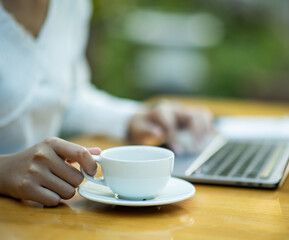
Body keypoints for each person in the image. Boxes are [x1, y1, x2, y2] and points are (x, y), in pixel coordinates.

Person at [0, 0, 212, 207]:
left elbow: (68, 96)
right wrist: (5, 170)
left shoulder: (71, 5)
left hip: (40, 212)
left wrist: (134, 118)